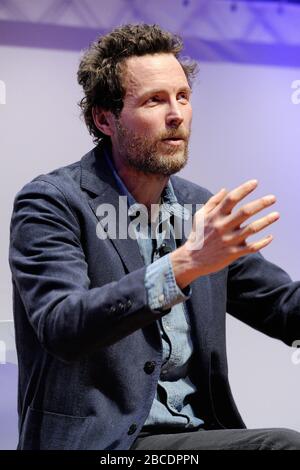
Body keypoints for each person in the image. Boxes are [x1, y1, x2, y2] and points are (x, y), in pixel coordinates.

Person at [9, 23, 300, 450]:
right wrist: (183, 266)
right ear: (105, 119)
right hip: (104, 444)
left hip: (197, 436)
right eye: (154, 100)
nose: (176, 114)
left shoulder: (198, 210)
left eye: (183, 97)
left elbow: (282, 307)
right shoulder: (52, 202)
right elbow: (62, 325)